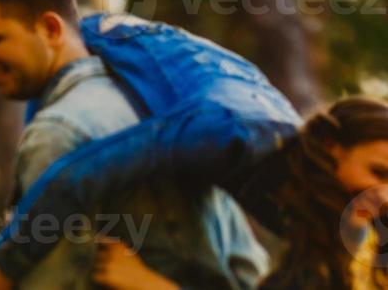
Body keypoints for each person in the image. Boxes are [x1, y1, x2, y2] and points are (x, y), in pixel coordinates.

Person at [0, 0, 268, 289]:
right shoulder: (163, 97)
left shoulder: (58, 134)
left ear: (50, 28)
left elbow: (52, 282)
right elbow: (247, 265)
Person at [87, 98, 388, 290]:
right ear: (330, 148)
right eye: (379, 173)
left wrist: (148, 285)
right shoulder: (317, 232)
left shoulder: (351, 243)